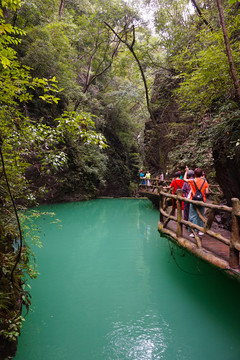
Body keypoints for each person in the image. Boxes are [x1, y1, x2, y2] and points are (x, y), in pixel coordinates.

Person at [184, 166, 209, 237]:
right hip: (202, 200)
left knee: (193, 216)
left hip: (193, 200)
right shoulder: (205, 181)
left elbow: (185, 179)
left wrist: (186, 171)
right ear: (201, 174)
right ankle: (201, 230)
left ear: (195, 174)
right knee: (201, 215)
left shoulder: (193, 181)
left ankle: (194, 232)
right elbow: (206, 192)